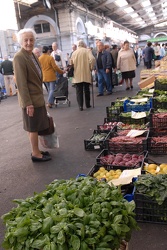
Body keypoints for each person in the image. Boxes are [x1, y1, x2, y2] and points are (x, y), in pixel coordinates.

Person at [13, 28, 51, 162]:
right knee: (33, 127)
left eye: (31, 39)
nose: (29, 42)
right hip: (30, 100)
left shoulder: (33, 55)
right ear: (20, 42)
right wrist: (28, 103)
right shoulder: (19, 57)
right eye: (26, 40)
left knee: (34, 126)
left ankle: (36, 150)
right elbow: (21, 83)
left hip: (37, 97)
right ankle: (35, 153)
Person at [70, 40, 95, 111]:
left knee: (79, 91)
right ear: (84, 45)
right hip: (86, 73)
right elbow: (92, 59)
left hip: (77, 74)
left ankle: (80, 106)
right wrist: (91, 67)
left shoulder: (74, 53)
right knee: (86, 89)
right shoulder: (87, 51)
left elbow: (71, 63)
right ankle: (88, 104)